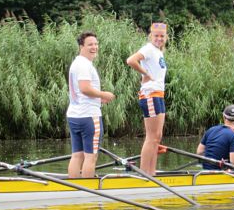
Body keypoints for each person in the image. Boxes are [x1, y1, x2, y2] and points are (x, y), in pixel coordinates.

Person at [67, 32, 116, 178]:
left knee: (77, 155)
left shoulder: (77, 63)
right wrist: (104, 94)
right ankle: (89, 192)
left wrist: (98, 99)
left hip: (74, 115)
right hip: (89, 116)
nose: (94, 47)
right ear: (81, 46)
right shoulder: (84, 65)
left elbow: (80, 91)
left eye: (96, 44)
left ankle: (73, 188)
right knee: (90, 157)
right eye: (90, 44)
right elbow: (84, 88)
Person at [126, 22, 168, 175]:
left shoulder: (158, 52)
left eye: (162, 36)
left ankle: (152, 172)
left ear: (166, 37)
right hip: (150, 95)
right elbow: (131, 60)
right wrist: (145, 74)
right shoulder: (148, 49)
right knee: (151, 137)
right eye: (156, 36)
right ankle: (145, 174)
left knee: (157, 137)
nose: (159, 38)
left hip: (158, 95)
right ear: (151, 36)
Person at [196, 104, 234, 170]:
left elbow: (199, 152)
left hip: (204, 172)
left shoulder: (211, 130)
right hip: (220, 173)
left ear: (223, 117)